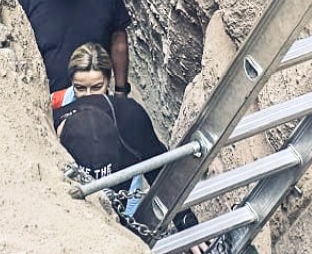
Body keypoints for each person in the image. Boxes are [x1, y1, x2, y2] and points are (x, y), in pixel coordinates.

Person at [55, 44, 211, 252]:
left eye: (96, 87)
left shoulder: (129, 117)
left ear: (109, 81)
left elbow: (159, 168)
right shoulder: (56, 118)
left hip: (122, 218)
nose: (89, 95)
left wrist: (187, 224)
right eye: (80, 89)